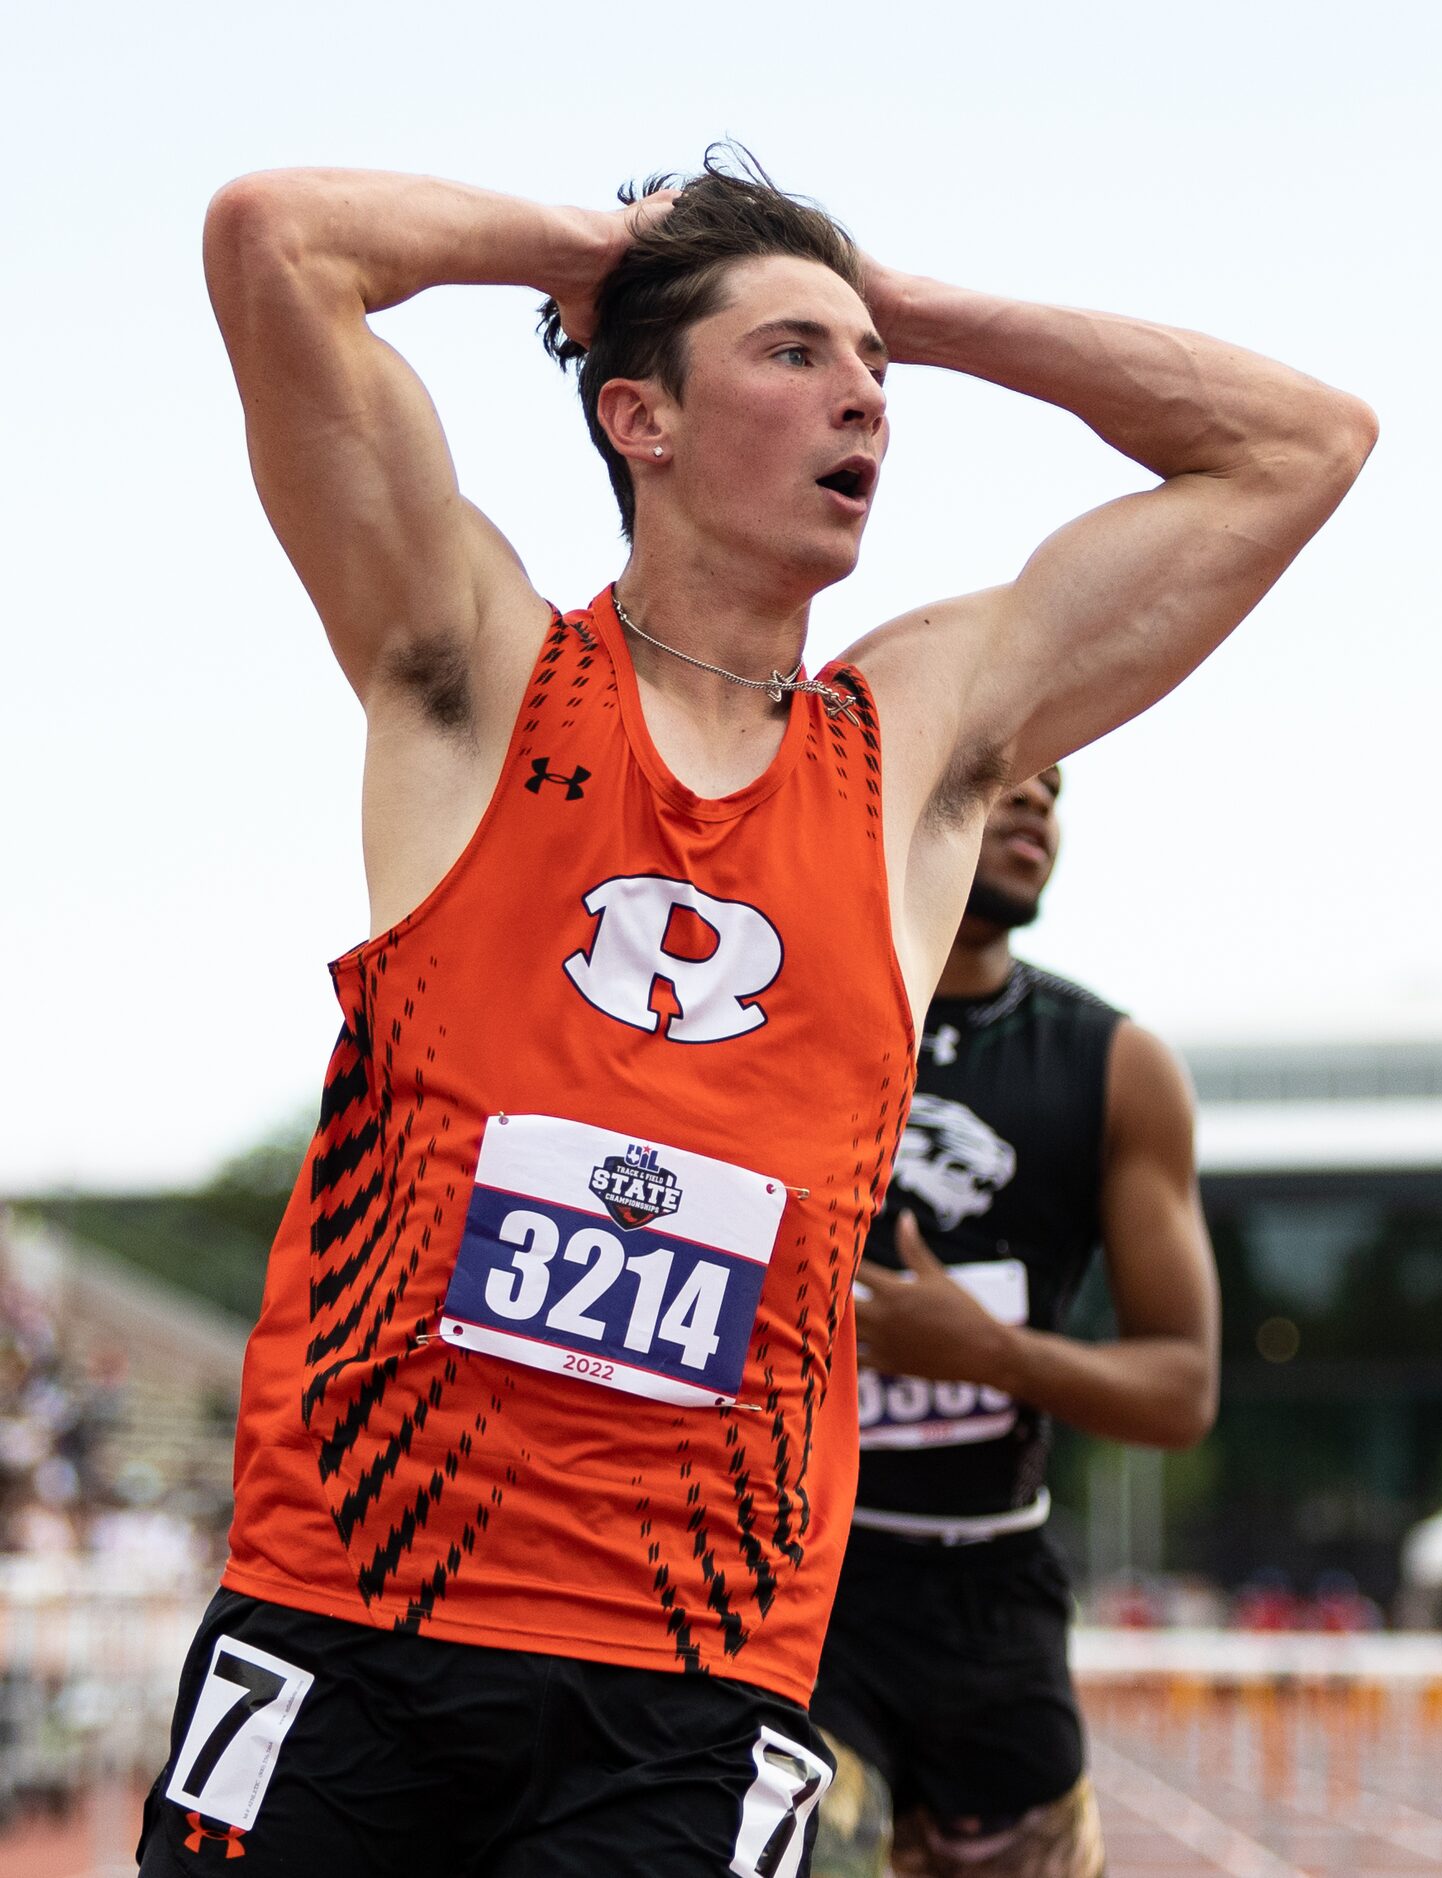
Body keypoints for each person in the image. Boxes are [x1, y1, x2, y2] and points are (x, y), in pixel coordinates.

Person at [138, 149, 1373, 1874]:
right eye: (794, 353)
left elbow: (1297, 443)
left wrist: (891, 299)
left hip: (696, 1679)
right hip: (356, 1611)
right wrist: (605, 249)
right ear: (637, 417)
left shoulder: (915, 747)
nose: (861, 389)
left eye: (870, 365)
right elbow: (275, 239)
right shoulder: (472, 665)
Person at [807, 767, 1218, 1878]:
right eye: (1000, 781)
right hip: (802, 1577)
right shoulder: (786, 1016)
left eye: (1054, 790)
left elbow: (1183, 1389)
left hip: (996, 1596)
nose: (1035, 805)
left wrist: (990, 1356)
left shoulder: (1117, 1066)